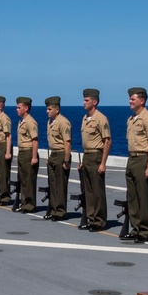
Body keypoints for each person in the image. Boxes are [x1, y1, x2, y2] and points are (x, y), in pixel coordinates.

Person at [121, 87, 148, 242]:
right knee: (132, 197)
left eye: (133, 99)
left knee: (142, 196)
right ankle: (135, 227)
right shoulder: (131, 119)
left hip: (143, 159)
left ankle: (145, 230)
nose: (130, 101)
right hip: (132, 159)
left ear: (142, 101)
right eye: (130, 98)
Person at [79, 88, 111, 231]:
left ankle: (99, 221)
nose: (84, 102)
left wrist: (103, 163)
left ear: (95, 101)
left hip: (96, 156)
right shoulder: (85, 119)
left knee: (97, 191)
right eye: (84, 100)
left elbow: (107, 141)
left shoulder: (101, 118)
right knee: (89, 191)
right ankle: (91, 218)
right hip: (87, 155)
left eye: (87, 100)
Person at [44, 96, 72, 221]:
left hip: (61, 154)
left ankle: (60, 211)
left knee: (60, 185)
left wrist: (66, 160)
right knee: (53, 184)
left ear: (57, 109)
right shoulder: (50, 122)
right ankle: (53, 209)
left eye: (49, 109)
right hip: (53, 154)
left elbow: (67, 143)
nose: (47, 111)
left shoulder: (63, 122)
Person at [13, 96, 40, 213]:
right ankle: (24, 203)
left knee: (29, 180)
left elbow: (35, 140)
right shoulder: (21, 122)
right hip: (22, 152)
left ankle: (30, 204)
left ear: (26, 108)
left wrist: (34, 157)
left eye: (19, 107)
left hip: (28, 152)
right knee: (23, 179)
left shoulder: (30, 122)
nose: (17, 109)